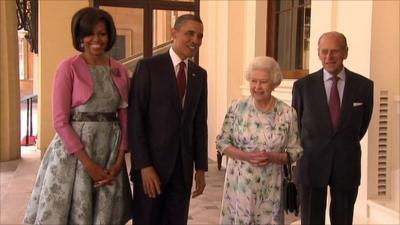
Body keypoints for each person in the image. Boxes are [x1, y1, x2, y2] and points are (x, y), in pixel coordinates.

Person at [23, 7, 132, 225]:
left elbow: (125, 117)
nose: (96, 39)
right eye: (89, 33)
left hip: (110, 151)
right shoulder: (68, 68)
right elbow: (60, 121)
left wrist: (120, 160)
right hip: (74, 153)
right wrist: (89, 165)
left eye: (102, 33)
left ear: (109, 36)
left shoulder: (119, 70)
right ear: (80, 37)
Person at [128, 14, 208, 225]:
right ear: (174, 33)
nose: (195, 40)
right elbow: (135, 120)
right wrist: (144, 165)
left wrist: (200, 168)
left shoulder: (199, 75)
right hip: (151, 169)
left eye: (200, 36)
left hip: (182, 171)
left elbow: (199, 124)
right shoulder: (148, 67)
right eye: (190, 33)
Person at [292, 31, 374, 225]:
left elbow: (362, 126)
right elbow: (296, 125)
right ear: (318, 54)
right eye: (324, 52)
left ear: (345, 52)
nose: (329, 57)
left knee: (343, 220)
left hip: (347, 163)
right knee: (311, 220)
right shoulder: (302, 86)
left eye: (335, 51)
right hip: (311, 163)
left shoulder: (364, 86)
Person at [216, 56, 303, 225]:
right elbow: (222, 142)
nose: (257, 87)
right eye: (253, 81)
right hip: (239, 185)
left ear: (274, 83)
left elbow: (295, 150)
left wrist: (273, 157)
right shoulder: (237, 108)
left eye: (263, 82)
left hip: (270, 188)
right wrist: (245, 156)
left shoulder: (287, 113)